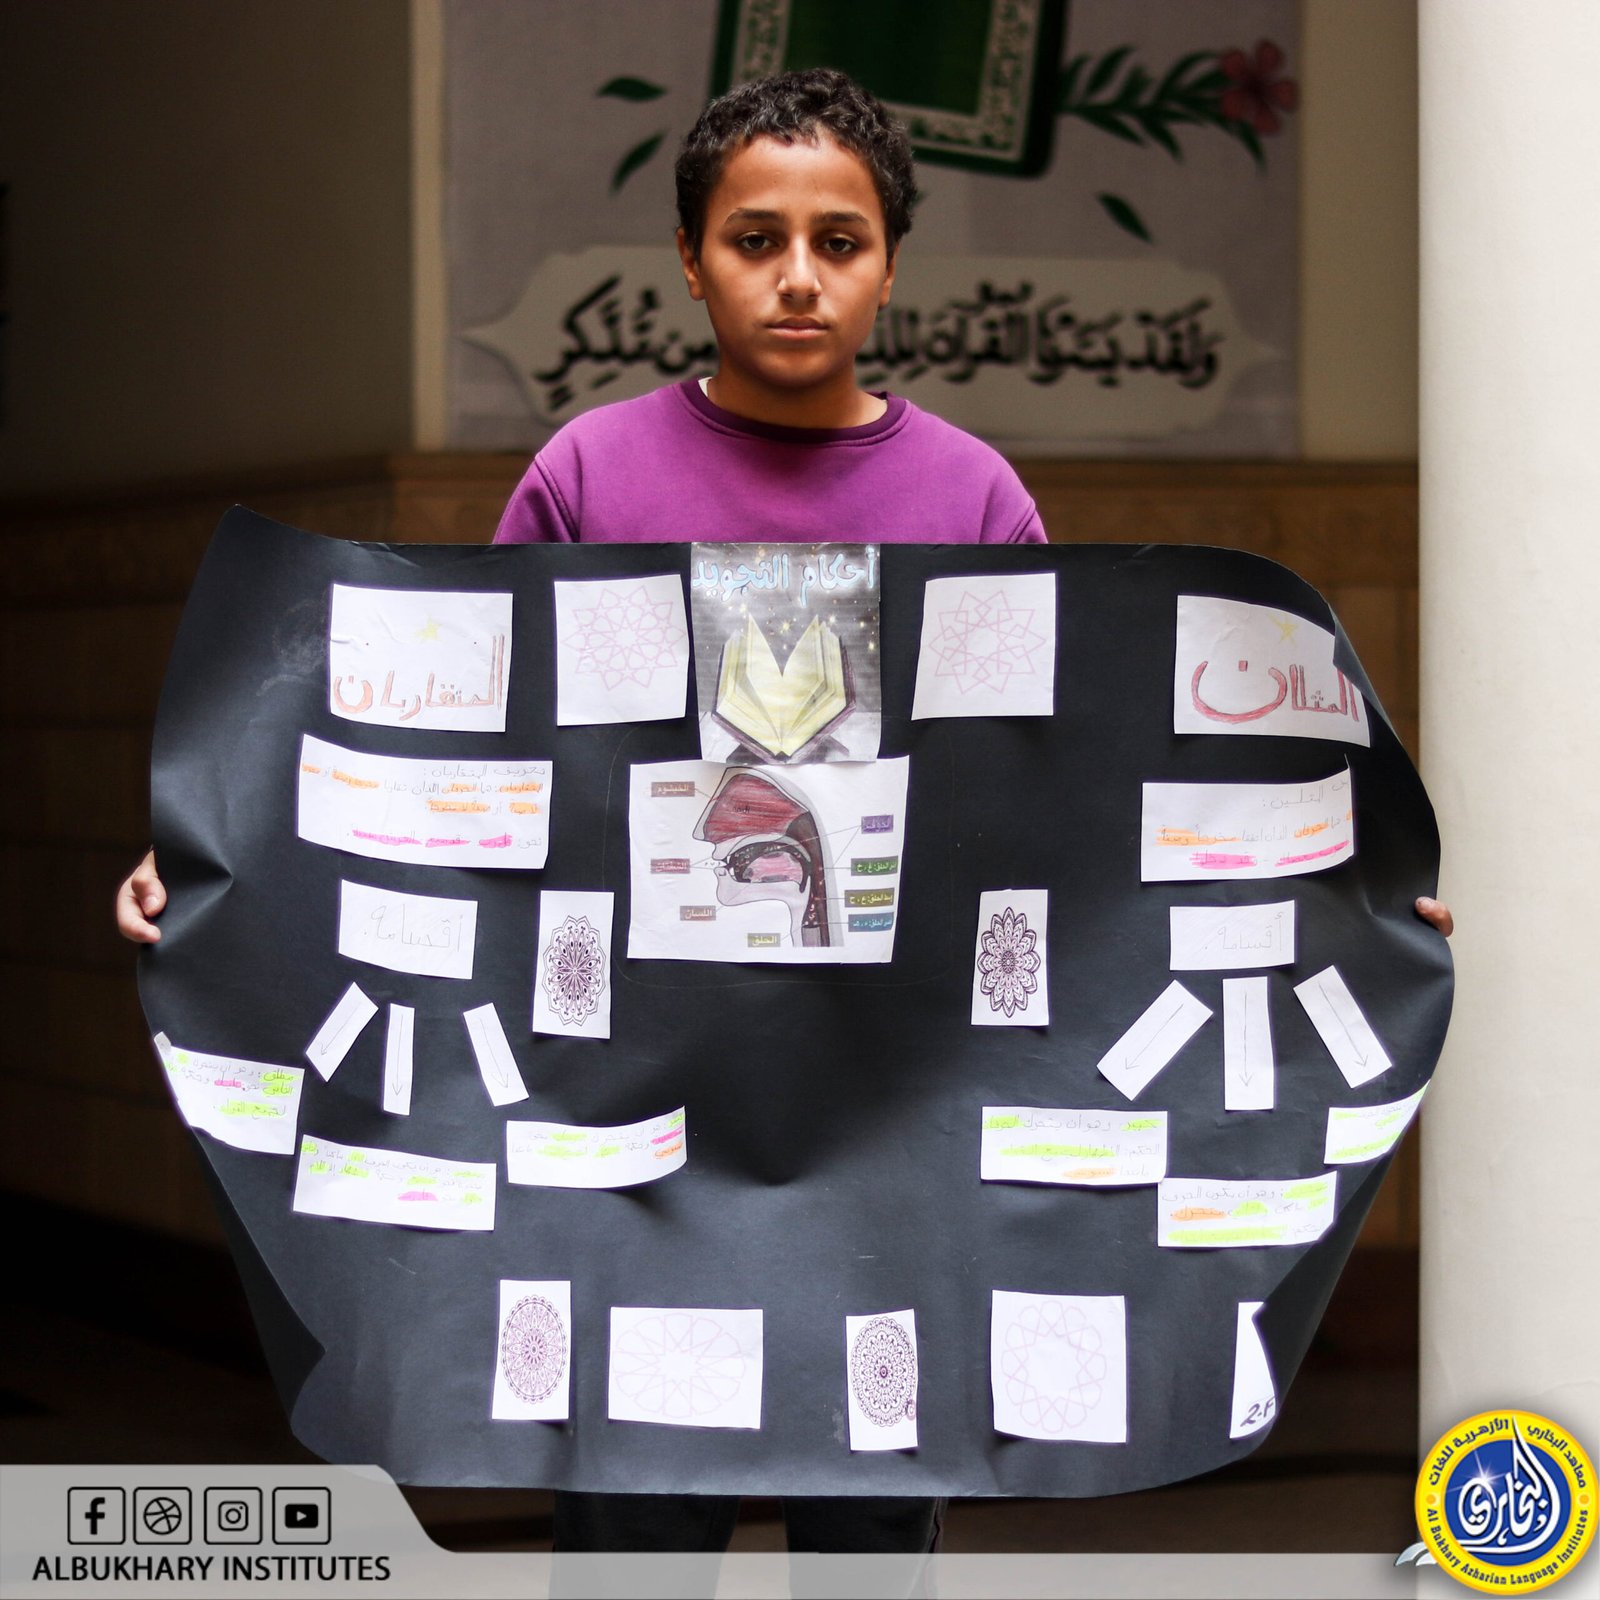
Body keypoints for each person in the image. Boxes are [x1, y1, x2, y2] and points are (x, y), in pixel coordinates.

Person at [114, 67, 1455, 1556]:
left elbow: (1071, 803)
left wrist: (1350, 902)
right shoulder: (589, 473)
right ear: (692, 262)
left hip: (892, 1111)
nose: (799, 276)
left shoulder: (972, 498)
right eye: (756, 240)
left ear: (891, 262)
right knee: (633, 1512)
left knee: (873, 1511)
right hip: (631, 1107)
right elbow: (477, 764)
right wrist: (227, 870)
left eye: (840, 240)